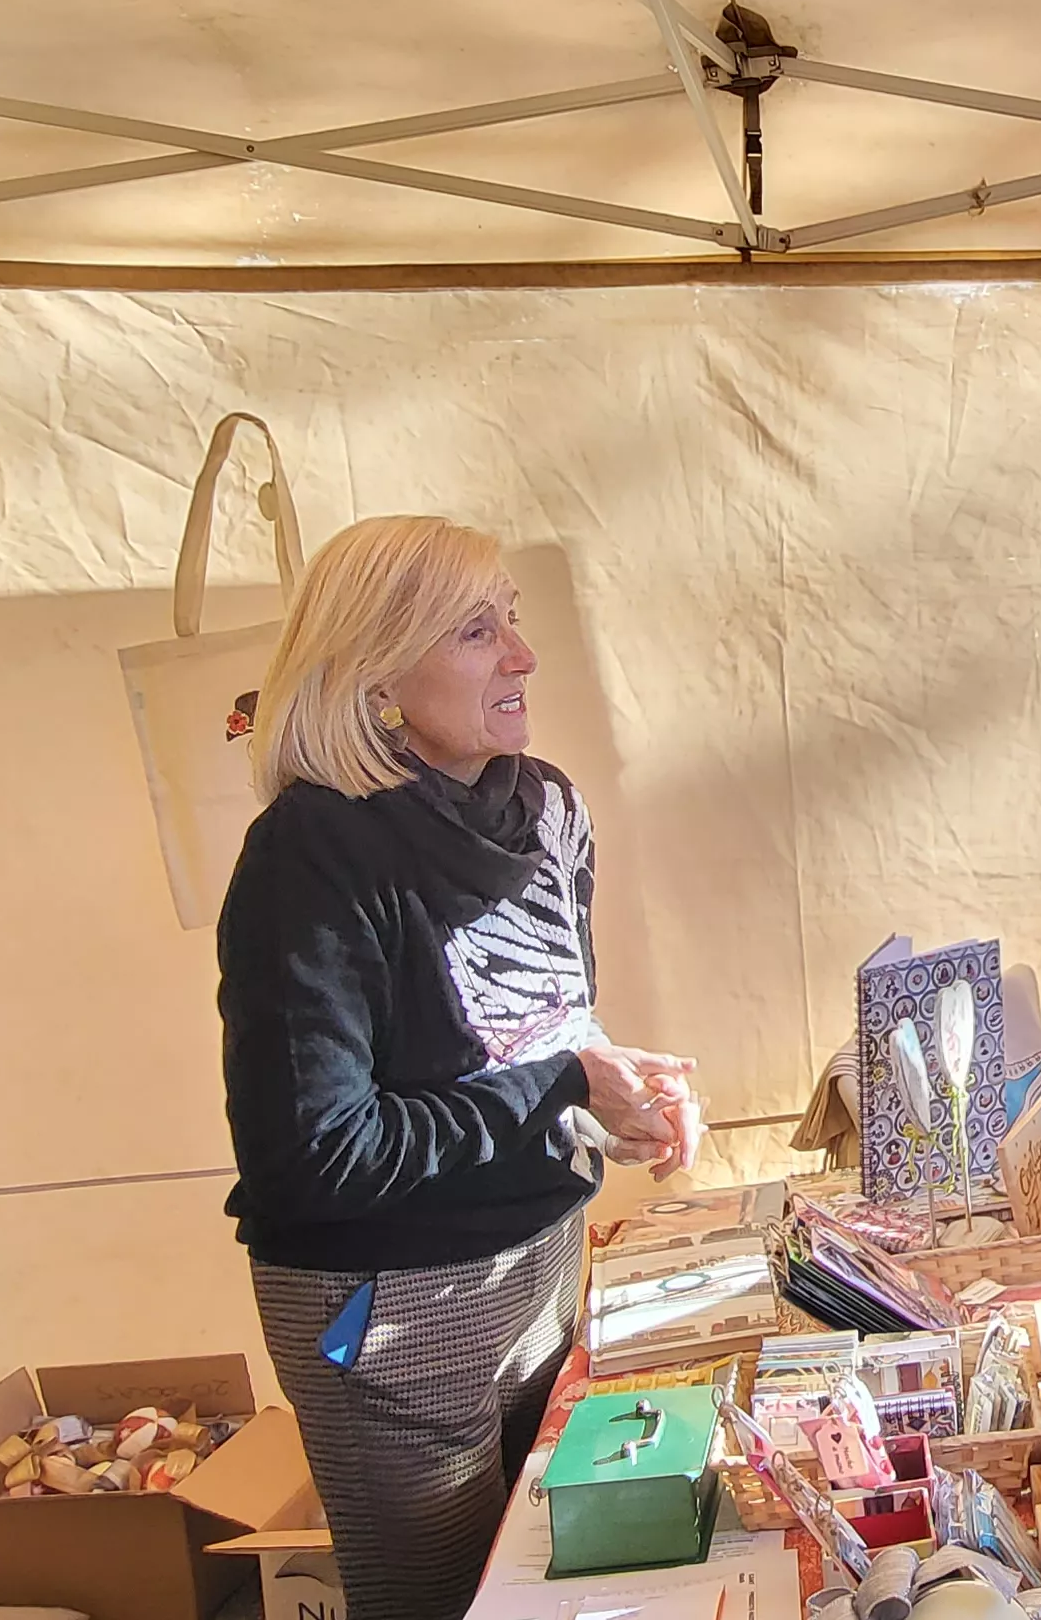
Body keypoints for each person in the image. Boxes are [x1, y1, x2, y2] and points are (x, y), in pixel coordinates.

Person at [214, 513, 706, 1611]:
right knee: (444, 1601)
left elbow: (540, 1035)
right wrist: (560, 1089)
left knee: (554, 1576)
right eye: (476, 632)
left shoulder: (549, 807)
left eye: (512, 621)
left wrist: (612, 1095)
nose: (522, 656)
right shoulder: (314, 851)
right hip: (386, 1301)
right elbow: (318, 1158)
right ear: (375, 670)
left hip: (537, 1256)